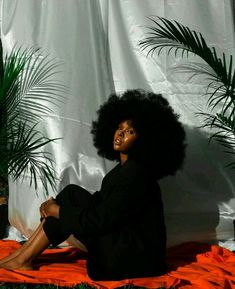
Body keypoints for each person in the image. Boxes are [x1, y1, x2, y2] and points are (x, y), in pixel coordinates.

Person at [0, 89, 186, 280]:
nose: (120, 134)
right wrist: (54, 206)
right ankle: (21, 257)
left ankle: (23, 258)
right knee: (71, 194)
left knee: (68, 203)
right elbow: (101, 203)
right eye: (119, 128)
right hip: (123, 244)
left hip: (132, 258)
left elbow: (99, 220)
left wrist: (56, 210)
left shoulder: (136, 175)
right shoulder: (122, 170)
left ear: (145, 139)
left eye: (129, 131)